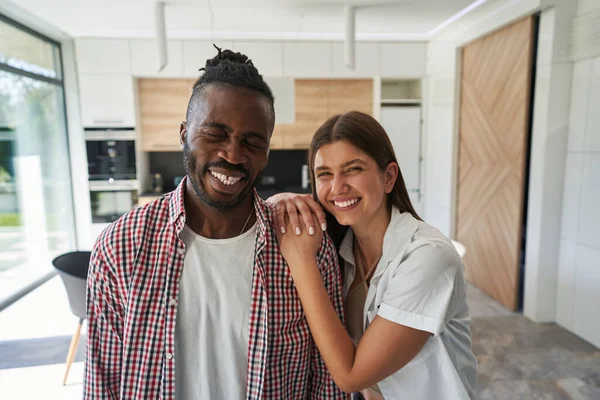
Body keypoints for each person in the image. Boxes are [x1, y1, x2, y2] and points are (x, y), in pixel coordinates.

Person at [84, 46, 348, 400]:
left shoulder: (307, 249)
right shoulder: (121, 246)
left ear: (267, 151)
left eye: (252, 142)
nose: (232, 155)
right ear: (183, 133)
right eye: (215, 134)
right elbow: (102, 382)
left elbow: (330, 385)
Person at [268, 111, 478, 399]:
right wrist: (279, 199)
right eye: (325, 174)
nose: (337, 187)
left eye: (353, 169)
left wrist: (300, 261)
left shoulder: (428, 258)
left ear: (389, 176)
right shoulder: (338, 249)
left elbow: (350, 375)